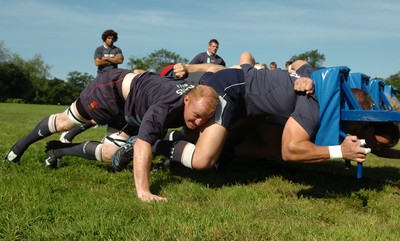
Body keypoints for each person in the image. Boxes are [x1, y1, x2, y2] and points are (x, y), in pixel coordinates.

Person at [114, 51, 369, 183]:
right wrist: (339, 152)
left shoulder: (319, 81)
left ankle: (225, 153)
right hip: (231, 88)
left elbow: (301, 61)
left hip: (249, 99)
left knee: (269, 147)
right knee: (202, 160)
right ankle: (152, 144)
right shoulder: (314, 104)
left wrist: (307, 74)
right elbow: (292, 150)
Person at [4, 67, 220, 202]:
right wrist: (144, 192)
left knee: (109, 154)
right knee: (64, 122)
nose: (199, 122)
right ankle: (18, 149)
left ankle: (57, 149)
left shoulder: (201, 90)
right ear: (186, 100)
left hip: (132, 110)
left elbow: (214, 68)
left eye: (205, 118)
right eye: (197, 116)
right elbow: (143, 144)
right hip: (110, 92)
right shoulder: (165, 107)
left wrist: (190, 67)